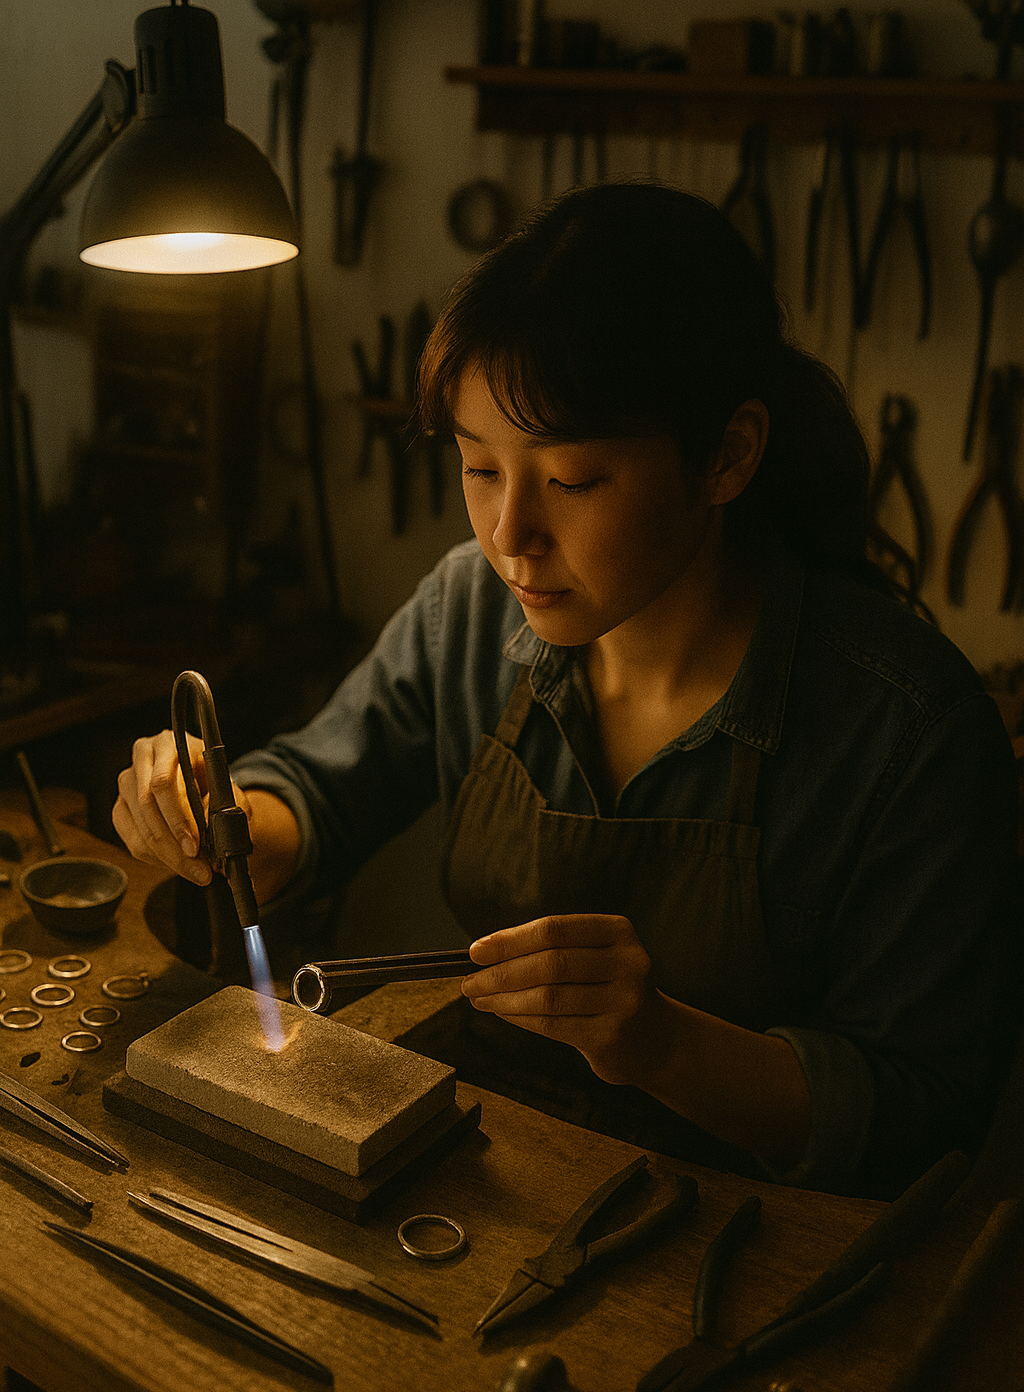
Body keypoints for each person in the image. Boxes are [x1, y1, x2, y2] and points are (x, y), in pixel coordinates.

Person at [113, 181, 1020, 1200]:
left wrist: (666, 1046)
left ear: (725, 455)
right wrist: (218, 818)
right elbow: (317, 794)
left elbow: (926, 1119)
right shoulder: (471, 610)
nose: (509, 539)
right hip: (494, 1178)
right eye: (478, 468)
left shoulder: (906, 731)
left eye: (573, 482)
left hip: (762, 1239)